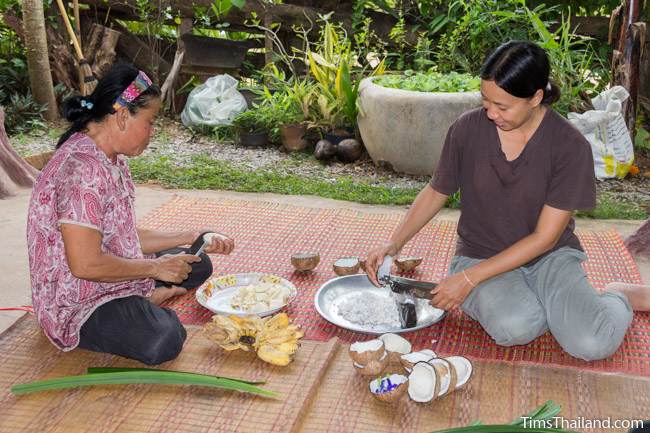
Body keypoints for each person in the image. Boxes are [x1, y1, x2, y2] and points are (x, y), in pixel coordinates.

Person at [366, 41, 650, 361]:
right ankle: (544, 305)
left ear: (536, 98)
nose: (491, 113)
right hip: (479, 252)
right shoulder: (467, 130)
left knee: (591, 344)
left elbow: (545, 238)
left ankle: (616, 296)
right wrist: (394, 243)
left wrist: (467, 282)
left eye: (502, 106)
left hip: (549, 256)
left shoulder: (569, 147)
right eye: (485, 101)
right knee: (517, 328)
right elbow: (436, 191)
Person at [26, 63, 235, 365]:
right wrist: (153, 270)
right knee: (163, 336)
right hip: (77, 298)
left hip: (104, 267)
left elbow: (121, 235)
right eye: (150, 122)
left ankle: (145, 295)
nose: (152, 132)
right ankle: (145, 299)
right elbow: (85, 264)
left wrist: (193, 236)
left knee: (197, 261)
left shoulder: (111, 157)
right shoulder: (81, 172)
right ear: (123, 116)